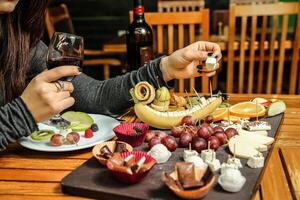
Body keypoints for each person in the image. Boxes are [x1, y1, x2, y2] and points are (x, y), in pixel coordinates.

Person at [0, 0, 222, 150]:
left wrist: (164, 69)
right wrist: (20, 115)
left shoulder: (16, 39)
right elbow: (17, 118)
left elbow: (97, 96)